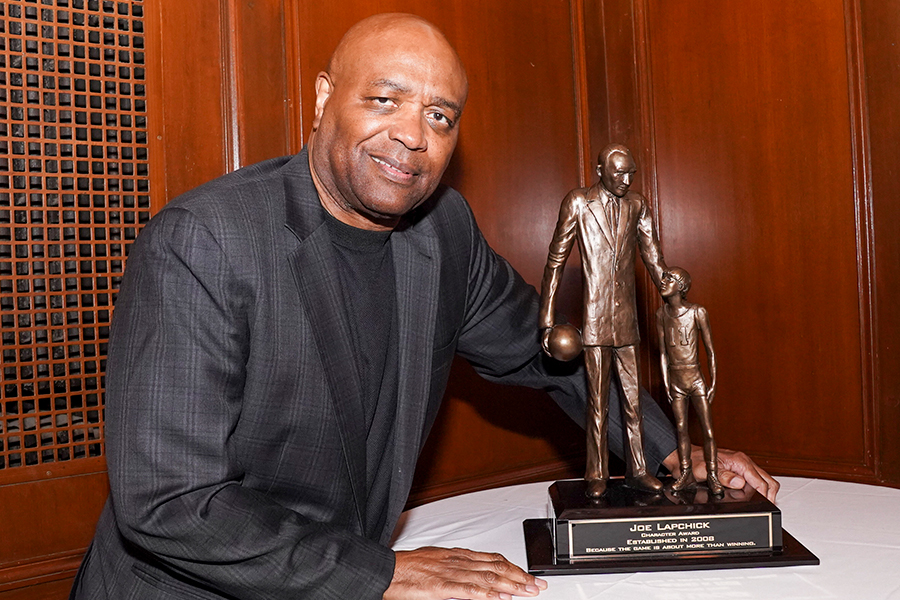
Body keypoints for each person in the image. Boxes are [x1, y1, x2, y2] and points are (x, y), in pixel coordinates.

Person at [70, 13, 777, 600]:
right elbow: (169, 504)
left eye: (439, 115)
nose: (413, 134)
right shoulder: (206, 241)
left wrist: (670, 452)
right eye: (384, 100)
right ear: (322, 99)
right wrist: (379, 574)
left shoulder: (445, 231)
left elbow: (552, 354)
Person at [539, 144, 669, 498]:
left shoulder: (637, 205)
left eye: (631, 174)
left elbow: (652, 254)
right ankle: (596, 472)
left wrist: (667, 283)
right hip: (594, 323)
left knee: (633, 402)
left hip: (628, 322)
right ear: (600, 171)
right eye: (618, 174)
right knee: (598, 402)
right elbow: (556, 261)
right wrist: (546, 320)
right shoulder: (579, 202)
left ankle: (638, 470)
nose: (625, 181)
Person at [656, 267, 722, 495]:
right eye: (664, 277)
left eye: (670, 279)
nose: (663, 281)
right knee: (681, 430)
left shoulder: (697, 312)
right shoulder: (661, 314)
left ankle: (713, 475)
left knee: (708, 430)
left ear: (681, 286)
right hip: (675, 380)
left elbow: (710, 351)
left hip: (695, 378)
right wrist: (666, 382)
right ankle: (686, 474)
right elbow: (663, 353)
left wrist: (712, 382)